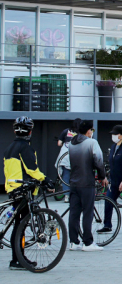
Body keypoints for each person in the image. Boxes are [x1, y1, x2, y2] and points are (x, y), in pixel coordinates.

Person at [4, 116, 55, 270]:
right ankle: (18, 260)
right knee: (21, 225)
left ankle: (17, 259)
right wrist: (46, 180)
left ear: (15, 130)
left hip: (13, 189)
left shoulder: (9, 148)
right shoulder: (25, 147)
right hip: (23, 190)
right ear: (30, 131)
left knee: (18, 224)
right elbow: (31, 169)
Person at [68, 120, 107, 252]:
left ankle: (73, 242)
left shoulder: (71, 144)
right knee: (87, 213)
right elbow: (99, 161)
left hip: (73, 183)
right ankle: (88, 242)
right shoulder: (91, 143)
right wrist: (102, 177)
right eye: (92, 130)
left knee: (74, 213)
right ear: (89, 130)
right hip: (87, 183)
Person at [56, 117, 82, 203]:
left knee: (66, 176)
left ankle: (67, 196)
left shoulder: (66, 131)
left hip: (65, 156)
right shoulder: (81, 133)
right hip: (77, 156)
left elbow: (59, 143)